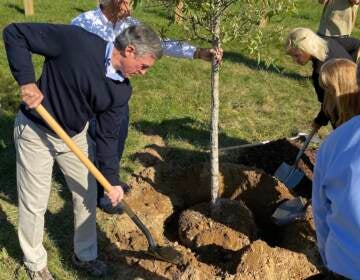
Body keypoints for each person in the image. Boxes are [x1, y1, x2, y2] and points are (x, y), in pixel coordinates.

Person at [3, 23, 162, 279]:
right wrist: (27, 81)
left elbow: (108, 138)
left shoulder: (121, 90)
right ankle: (35, 263)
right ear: (129, 50)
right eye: (144, 66)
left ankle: (85, 256)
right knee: (35, 201)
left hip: (74, 136)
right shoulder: (76, 42)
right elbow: (15, 33)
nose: (143, 73)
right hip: (36, 130)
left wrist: (111, 181)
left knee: (86, 195)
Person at [71, 0, 224, 214]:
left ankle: (109, 182)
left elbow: (159, 44)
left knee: (117, 137)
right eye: (126, 1)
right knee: (94, 143)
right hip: (89, 95)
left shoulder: (130, 25)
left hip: (115, 95)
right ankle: (99, 192)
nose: (130, 5)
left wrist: (198, 53)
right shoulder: (84, 22)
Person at [312, 58, 360, 279]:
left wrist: (328, 258)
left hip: (345, 265)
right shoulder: (336, 143)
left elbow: (321, 214)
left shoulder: (336, 144)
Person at [285, 27, 357, 132]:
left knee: (345, 136)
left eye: (296, 55)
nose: (294, 60)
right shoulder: (328, 41)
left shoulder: (320, 73)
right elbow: (355, 44)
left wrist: (318, 122)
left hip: (345, 111)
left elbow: (327, 105)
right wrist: (350, 67)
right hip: (355, 94)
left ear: (307, 48)